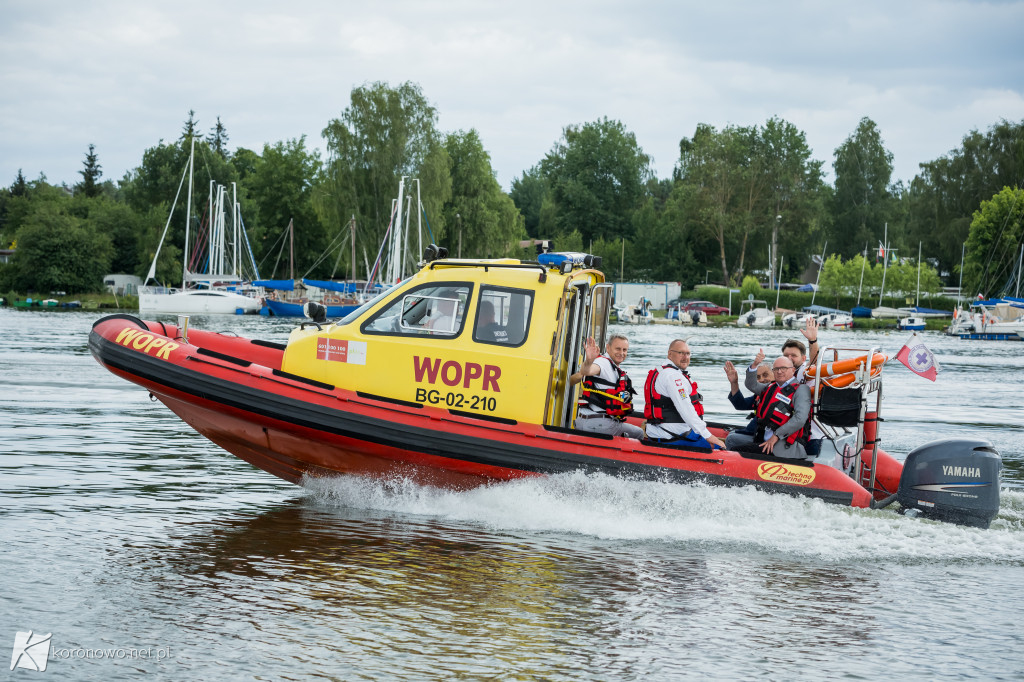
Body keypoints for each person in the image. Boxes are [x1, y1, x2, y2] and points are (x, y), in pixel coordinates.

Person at [724, 351, 812, 460]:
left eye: (783, 368)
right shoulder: (771, 387)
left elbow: (800, 419)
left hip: (782, 446)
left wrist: (776, 436)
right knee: (732, 441)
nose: (779, 372)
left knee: (736, 452)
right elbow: (751, 385)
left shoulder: (801, 389)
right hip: (763, 439)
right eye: (776, 369)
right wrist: (754, 365)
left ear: (793, 370)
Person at [643, 339, 726, 450]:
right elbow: (686, 409)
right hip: (672, 436)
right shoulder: (673, 377)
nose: (685, 357)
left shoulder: (663, 371)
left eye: (687, 353)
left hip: (661, 432)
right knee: (720, 448)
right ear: (670, 354)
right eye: (681, 353)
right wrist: (708, 435)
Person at [572, 335, 645, 439]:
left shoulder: (613, 366)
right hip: (600, 424)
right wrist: (589, 360)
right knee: (639, 433)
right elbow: (587, 371)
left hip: (584, 420)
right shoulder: (603, 362)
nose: (621, 353)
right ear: (608, 348)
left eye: (625, 350)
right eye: (618, 349)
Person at [781, 317, 823, 458]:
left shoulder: (804, 372)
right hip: (793, 432)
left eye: (794, 355)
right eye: (786, 355)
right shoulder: (782, 374)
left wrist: (812, 341)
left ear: (803, 359)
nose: (790, 358)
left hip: (810, 436)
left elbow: (815, 365)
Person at [724, 360, 772, 435]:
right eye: (758, 377)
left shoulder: (778, 394)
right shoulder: (759, 396)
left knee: (732, 438)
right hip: (758, 432)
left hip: (768, 436)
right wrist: (734, 382)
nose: (762, 380)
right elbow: (740, 405)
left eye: (765, 375)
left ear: (775, 374)